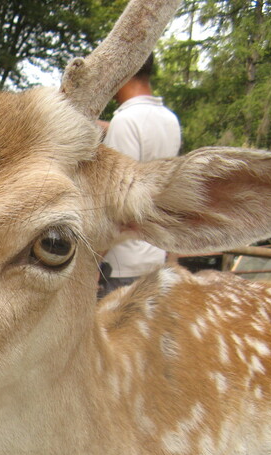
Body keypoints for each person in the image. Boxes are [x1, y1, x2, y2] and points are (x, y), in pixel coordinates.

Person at [97, 53, 181, 298]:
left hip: (121, 263)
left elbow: (116, 203)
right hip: (154, 257)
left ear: (122, 72)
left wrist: (92, 265)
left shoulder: (125, 121)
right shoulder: (170, 120)